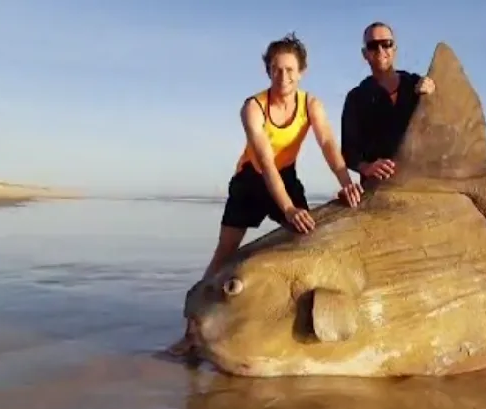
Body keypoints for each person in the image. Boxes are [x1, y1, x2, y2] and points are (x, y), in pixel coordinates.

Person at [167, 33, 364, 357]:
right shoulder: (253, 107)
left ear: (301, 71)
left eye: (289, 70)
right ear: (268, 71)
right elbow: (265, 161)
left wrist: (346, 180)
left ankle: (290, 323)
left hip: (286, 176)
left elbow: (328, 143)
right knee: (225, 253)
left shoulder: (311, 104)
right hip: (251, 179)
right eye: (276, 69)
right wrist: (287, 209)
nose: (282, 77)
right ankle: (192, 332)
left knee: (307, 240)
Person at [341, 22, 436, 186]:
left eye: (386, 44)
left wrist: (435, 95)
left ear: (395, 49)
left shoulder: (417, 86)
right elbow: (349, 152)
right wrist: (366, 167)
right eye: (372, 46)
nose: (380, 50)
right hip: (379, 189)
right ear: (365, 53)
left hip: (421, 183)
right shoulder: (356, 98)